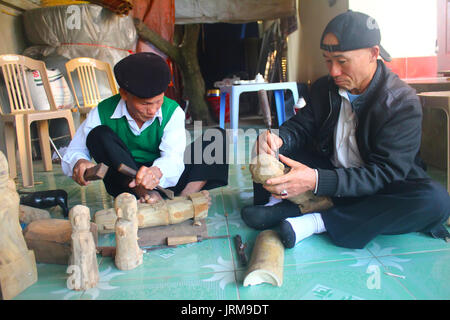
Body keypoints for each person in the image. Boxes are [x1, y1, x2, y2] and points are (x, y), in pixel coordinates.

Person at [241, 10, 450, 249]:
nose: (333, 72)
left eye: (342, 61)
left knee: (435, 202)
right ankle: (279, 204)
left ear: (374, 53)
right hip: (333, 170)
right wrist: (277, 139)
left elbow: (383, 173)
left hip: (375, 185)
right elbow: (302, 127)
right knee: (278, 150)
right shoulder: (325, 88)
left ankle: (316, 220)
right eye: (328, 61)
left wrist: (317, 180)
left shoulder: (401, 102)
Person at [62, 52, 228, 203]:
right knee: (98, 135)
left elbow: (173, 158)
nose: (153, 110)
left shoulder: (172, 111)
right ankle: (146, 195)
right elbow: (74, 152)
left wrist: (155, 172)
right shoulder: (102, 112)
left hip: (164, 181)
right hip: (126, 184)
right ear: (124, 94)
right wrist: (80, 161)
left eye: (158, 101)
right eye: (145, 104)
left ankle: (183, 200)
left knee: (216, 137)